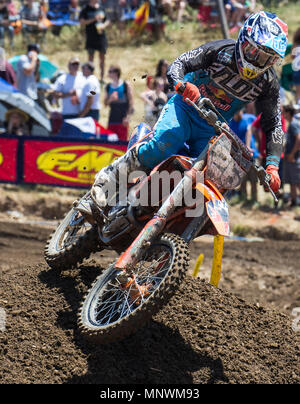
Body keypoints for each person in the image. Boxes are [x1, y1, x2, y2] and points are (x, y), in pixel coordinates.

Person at [91, 11, 288, 211]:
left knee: (205, 185)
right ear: (244, 41)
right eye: (257, 53)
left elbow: (274, 125)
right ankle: (108, 178)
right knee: (164, 144)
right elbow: (179, 63)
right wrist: (182, 85)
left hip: (212, 129)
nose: (258, 61)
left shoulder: (268, 83)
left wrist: (273, 165)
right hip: (185, 108)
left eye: (267, 59)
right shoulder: (221, 51)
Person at [79, 0, 111, 84]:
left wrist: (104, 25)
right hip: (90, 37)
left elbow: (107, 20)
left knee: (102, 59)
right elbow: (82, 22)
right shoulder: (86, 9)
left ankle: (102, 78)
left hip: (101, 37)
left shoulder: (101, 7)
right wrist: (94, 19)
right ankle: (90, 78)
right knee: (90, 59)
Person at [104, 64, 134, 141]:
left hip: (123, 119)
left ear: (116, 73)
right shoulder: (108, 86)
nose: (109, 73)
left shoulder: (125, 84)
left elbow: (131, 102)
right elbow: (105, 103)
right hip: (112, 119)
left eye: (110, 71)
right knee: (111, 142)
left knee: (122, 142)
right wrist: (110, 99)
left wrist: (128, 117)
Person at [282, 104, 300, 207]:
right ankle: (294, 202)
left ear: (288, 113)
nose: (282, 114)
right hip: (289, 158)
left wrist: (292, 154)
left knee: (297, 182)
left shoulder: (294, 124)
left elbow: (299, 139)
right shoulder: (291, 124)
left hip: (294, 158)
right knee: (292, 182)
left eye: (283, 112)